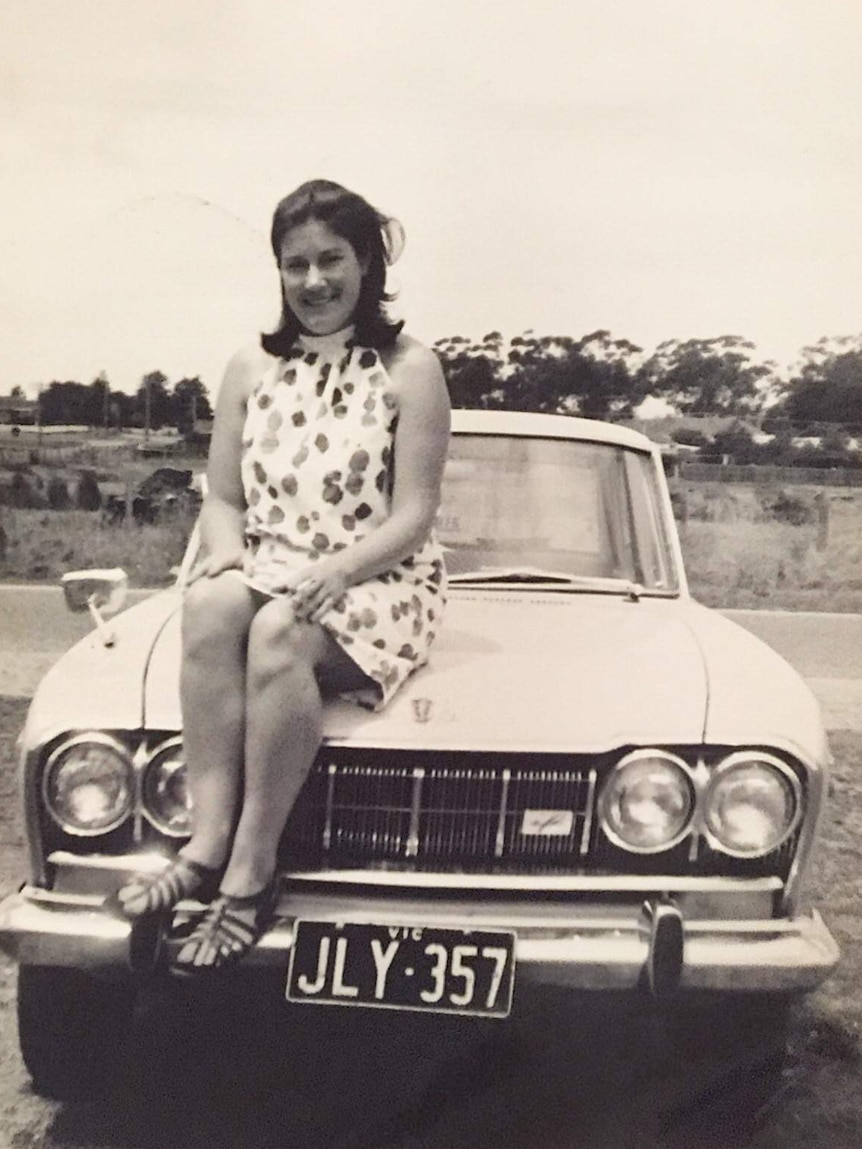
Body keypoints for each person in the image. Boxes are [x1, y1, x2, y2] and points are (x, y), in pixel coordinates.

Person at [111, 179, 450, 975]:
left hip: (380, 576)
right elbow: (223, 499)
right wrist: (223, 554)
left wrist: (337, 569)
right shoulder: (248, 367)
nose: (314, 281)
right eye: (295, 264)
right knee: (208, 608)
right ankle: (202, 844)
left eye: (332, 259)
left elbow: (414, 516)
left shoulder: (411, 369)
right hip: (275, 564)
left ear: (367, 262)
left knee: (276, 632)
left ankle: (251, 871)